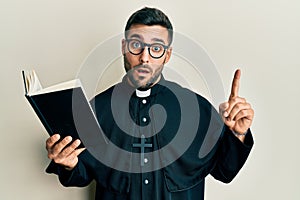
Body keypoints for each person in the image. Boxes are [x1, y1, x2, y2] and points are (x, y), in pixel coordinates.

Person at [45, 7, 254, 200]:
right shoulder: (96, 109)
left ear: (167, 55)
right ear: (124, 47)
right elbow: (81, 174)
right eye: (136, 45)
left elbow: (225, 172)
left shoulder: (197, 109)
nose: (145, 58)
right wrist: (68, 163)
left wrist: (238, 134)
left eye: (156, 48)